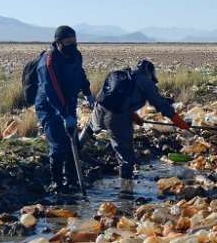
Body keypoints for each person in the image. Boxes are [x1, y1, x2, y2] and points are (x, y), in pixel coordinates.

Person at [78, 59, 190, 197]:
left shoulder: (121, 74)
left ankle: (74, 150)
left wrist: (131, 114)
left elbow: (111, 98)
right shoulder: (145, 81)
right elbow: (160, 103)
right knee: (126, 156)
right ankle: (126, 193)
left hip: (99, 110)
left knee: (90, 128)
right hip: (116, 117)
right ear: (150, 72)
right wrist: (176, 119)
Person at [34, 25, 94, 193]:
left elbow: (80, 74)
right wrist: (64, 115)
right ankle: (57, 183)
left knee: (72, 141)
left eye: (75, 42)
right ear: (58, 43)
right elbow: (51, 90)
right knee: (58, 143)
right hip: (49, 106)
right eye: (69, 43)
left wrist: (88, 92)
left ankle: (72, 180)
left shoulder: (75, 55)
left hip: (69, 102)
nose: (73, 46)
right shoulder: (49, 61)